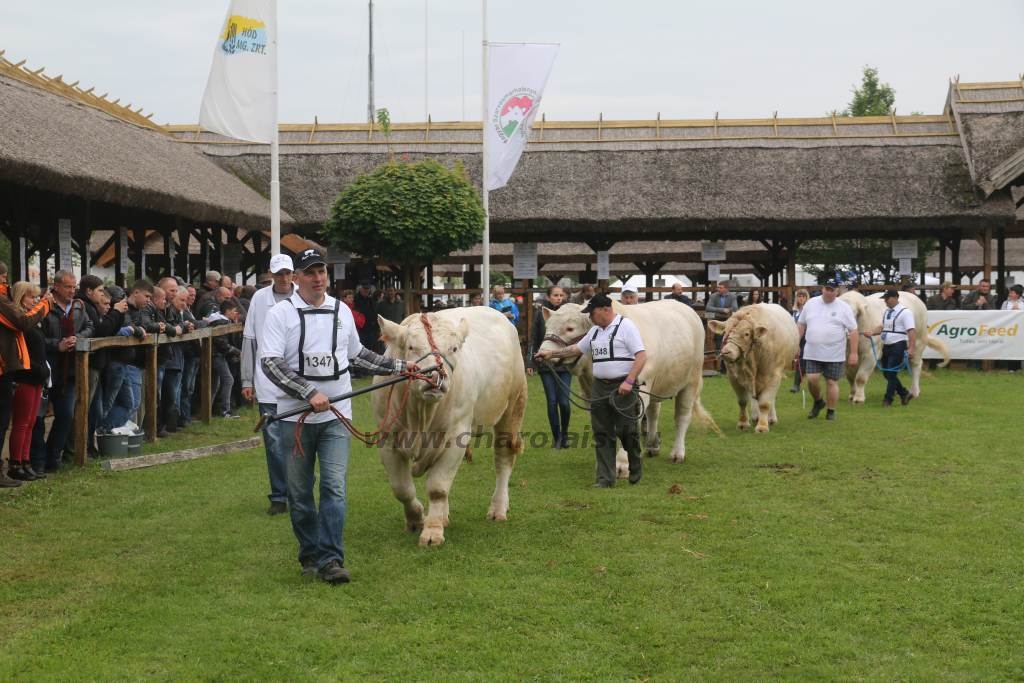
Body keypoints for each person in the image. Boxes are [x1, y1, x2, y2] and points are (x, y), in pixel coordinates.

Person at [260, 248, 418, 584]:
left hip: (336, 416)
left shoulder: (341, 311)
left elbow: (358, 355)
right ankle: (309, 553)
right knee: (300, 494)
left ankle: (331, 559)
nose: (318, 279)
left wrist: (402, 367)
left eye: (322, 272)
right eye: (310, 273)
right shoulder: (280, 314)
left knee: (334, 488)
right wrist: (308, 392)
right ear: (297, 278)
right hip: (294, 417)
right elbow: (271, 362)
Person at [534, 293, 646, 488]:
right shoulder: (594, 331)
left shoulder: (626, 326)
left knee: (626, 430)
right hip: (600, 386)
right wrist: (550, 353)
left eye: (592, 313)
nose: (590, 318)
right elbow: (576, 350)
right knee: (602, 432)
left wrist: (629, 381)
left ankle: (635, 463)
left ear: (605, 310)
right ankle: (605, 478)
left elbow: (641, 356)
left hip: (623, 386)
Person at [241, 253, 296, 516]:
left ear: (293, 274)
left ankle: (298, 490)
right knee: (273, 442)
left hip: (298, 383)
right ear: (271, 275)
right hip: (266, 382)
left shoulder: (303, 298)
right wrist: (246, 378)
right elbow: (249, 340)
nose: (283, 278)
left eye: (287, 273)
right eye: (279, 274)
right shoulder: (259, 299)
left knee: (297, 441)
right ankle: (279, 495)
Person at [36, 270, 93, 472]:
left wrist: (78, 338)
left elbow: (89, 326)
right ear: (57, 286)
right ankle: (38, 461)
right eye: (68, 286)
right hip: (45, 370)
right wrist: (56, 345)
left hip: (69, 371)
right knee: (38, 418)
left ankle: (53, 456)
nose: (72, 290)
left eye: (74, 286)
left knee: (67, 414)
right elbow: (35, 337)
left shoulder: (78, 306)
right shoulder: (44, 306)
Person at [0, 282, 53, 486]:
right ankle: (16, 463)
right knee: (21, 423)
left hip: (36, 376)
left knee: (30, 422)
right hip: (25, 377)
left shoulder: (33, 321)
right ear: (22, 297)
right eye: (31, 297)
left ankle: (25, 460)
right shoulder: (20, 320)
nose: (35, 301)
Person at [796, 279, 859, 421]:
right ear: (822, 288)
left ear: (837, 291)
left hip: (834, 353)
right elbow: (801, 325)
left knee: (831, 382)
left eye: (832, 289)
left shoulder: (844, 307)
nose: (829, 292)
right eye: (827, 288)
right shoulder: (811, 304)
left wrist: (854, 353)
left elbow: (853, 331)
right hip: (812, 351)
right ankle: (818, 401)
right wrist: (796, 344)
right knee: (812, 379)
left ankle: (831, 411)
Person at [526, 286, 573, 449]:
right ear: (548, 297)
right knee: (552, 402)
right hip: (546, 365)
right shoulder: (541, 314)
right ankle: (557, 437)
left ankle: (565, 434)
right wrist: (530, 363)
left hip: (565, 363)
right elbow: (534, 339)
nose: (558, 298)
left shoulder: (570, 315)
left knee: (564, 402)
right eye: (555, 295)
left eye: (561, 295)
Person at [863, 289, 915, 407]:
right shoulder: (887, 312)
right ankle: (903, 393)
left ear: (895, 298)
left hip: (898, 345)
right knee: (887, 373)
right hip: (886, 345)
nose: (885, 301)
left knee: (891, 373)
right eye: (885, 299)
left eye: (887, 298)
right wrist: (871, 332)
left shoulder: (905, 312)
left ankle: (888, 399)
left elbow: (911, 331)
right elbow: (882, 327)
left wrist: (911, 348)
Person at [206, 299, 242, 418]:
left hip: (215, 355)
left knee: (215, 384)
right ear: (227, 311)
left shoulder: (221, 321)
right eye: (233, 311)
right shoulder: (221, 323)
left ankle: (208, 412)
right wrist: (237, 352)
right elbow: (222, 344)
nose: (235, 313)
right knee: (228, 379)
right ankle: (225, 411)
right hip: (216, 355)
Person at [704, 280, 738, 371]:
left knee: (728, 341)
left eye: (720, 287)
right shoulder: (714, 296)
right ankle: (720, 367)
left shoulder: (733, 296)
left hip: (729, 323)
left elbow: (735, 308)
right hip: (718, 323)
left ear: (726, 289)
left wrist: (728, 310)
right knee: (719, 342)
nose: (718, 289)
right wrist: (722, 310)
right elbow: (708, 307)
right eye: (718, 287)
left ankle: (725, 367)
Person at [790, 288, 809, 392]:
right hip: (798, 338)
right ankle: (796, 384)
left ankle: (800, 383)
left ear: (806, 298)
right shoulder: (794, 311)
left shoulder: (809, 309)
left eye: (803, 296)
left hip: (808, 338)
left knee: (805, 360)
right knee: (799, 360)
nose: (801, 298)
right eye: (799, 296)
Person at [354, 281, 381, 353]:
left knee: (371, 350)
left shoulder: (371, 299)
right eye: (364, 288)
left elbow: (375, 313)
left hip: (371, 330)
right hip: (361, 330)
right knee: (361, 350)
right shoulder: (355, 299)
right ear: (361, 289)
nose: (366, 290)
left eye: (367, 289)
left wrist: (377, 327)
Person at [1002, 284, 1023, 372]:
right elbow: (1000, 315)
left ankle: (1018, 367)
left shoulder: (1023, 303)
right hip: (1009, 330)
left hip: (1021, 330)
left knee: (1020, 348)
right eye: (1010, 292)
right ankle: (1010, 368)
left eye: (1012, 292)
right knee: (1010, 347)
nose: (1010, 294)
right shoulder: (1006, 303)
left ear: (1018, 294)